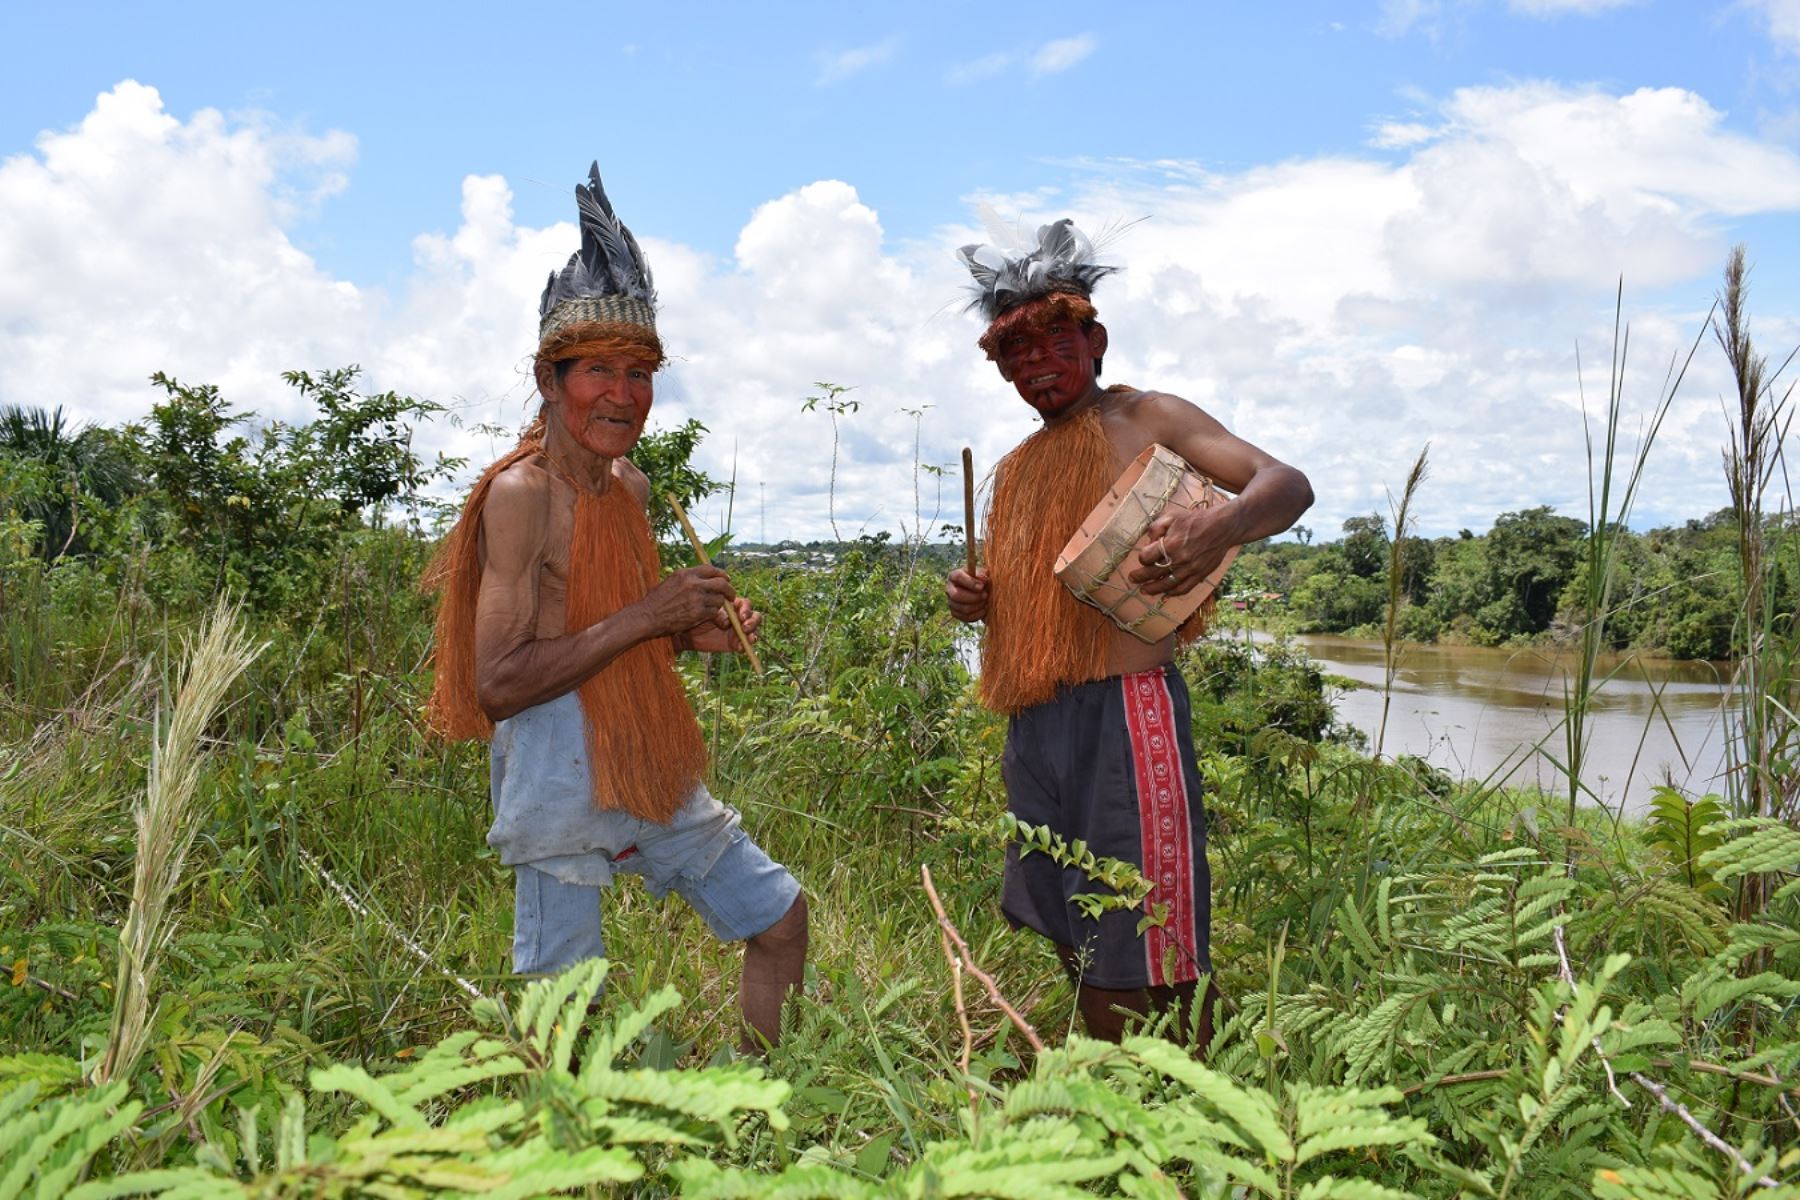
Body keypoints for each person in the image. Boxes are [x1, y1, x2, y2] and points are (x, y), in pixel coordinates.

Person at [424, 163, 807, 1052]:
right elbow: (501, 684)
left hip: (644, 750)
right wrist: (649, 618)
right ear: (549, 379)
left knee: (781, 922)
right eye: (599, 370)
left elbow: (617, 632)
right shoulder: (521, 495)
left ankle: (759, 1118)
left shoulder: (628, 486)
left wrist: (694, 630)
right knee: (568, 1010)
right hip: (554, 766)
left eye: (639, 374)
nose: (624, 395)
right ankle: (574, 1168)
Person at [946, 220, 1312, 1044]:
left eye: (1054, 338)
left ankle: (1187, 1095)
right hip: (1038, 722)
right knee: (1075, 926)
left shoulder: (1150, 417)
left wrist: (1220, 529)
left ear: (1095, 337)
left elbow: (1285, 484)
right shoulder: (1018, 470)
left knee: (1149, 930)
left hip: (1127, 711)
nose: (1036, 360)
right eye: (1016, 352)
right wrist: (976, 599)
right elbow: (1029, 602)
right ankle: (1119, 1084)